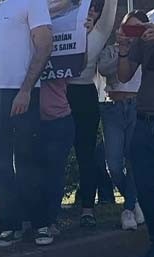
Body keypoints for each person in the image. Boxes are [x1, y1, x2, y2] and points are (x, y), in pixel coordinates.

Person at [0, 0, 52, 247]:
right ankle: (10, 225)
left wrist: (26, 89)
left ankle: (41, 223)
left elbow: (44, 45)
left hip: (19, 91)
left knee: (28, 160)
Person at [97, 10, 148, 231]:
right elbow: (104, 70)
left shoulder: (147, 51)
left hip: (137, 106)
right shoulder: (111, 50)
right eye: (128, 28)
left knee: (133, 160)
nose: (130, 33)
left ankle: (128, 209)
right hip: (113, 108)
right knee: (114, 163)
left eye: (137, 29)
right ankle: (134, 200)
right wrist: (123, 50)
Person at [69, 0, 117, 228]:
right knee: (53, 154)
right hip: (57, 93)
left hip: (84, 94)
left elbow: (110, 10)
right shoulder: (59, 27)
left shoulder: (98, 32)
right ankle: (45, 213)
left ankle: (88, 208)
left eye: (90, 9)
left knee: (86, 154)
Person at [117, 14, 154, 257]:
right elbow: (125, 75)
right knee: (145, 187)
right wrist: (123, 50)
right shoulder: (147, 23)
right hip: (143, 119)